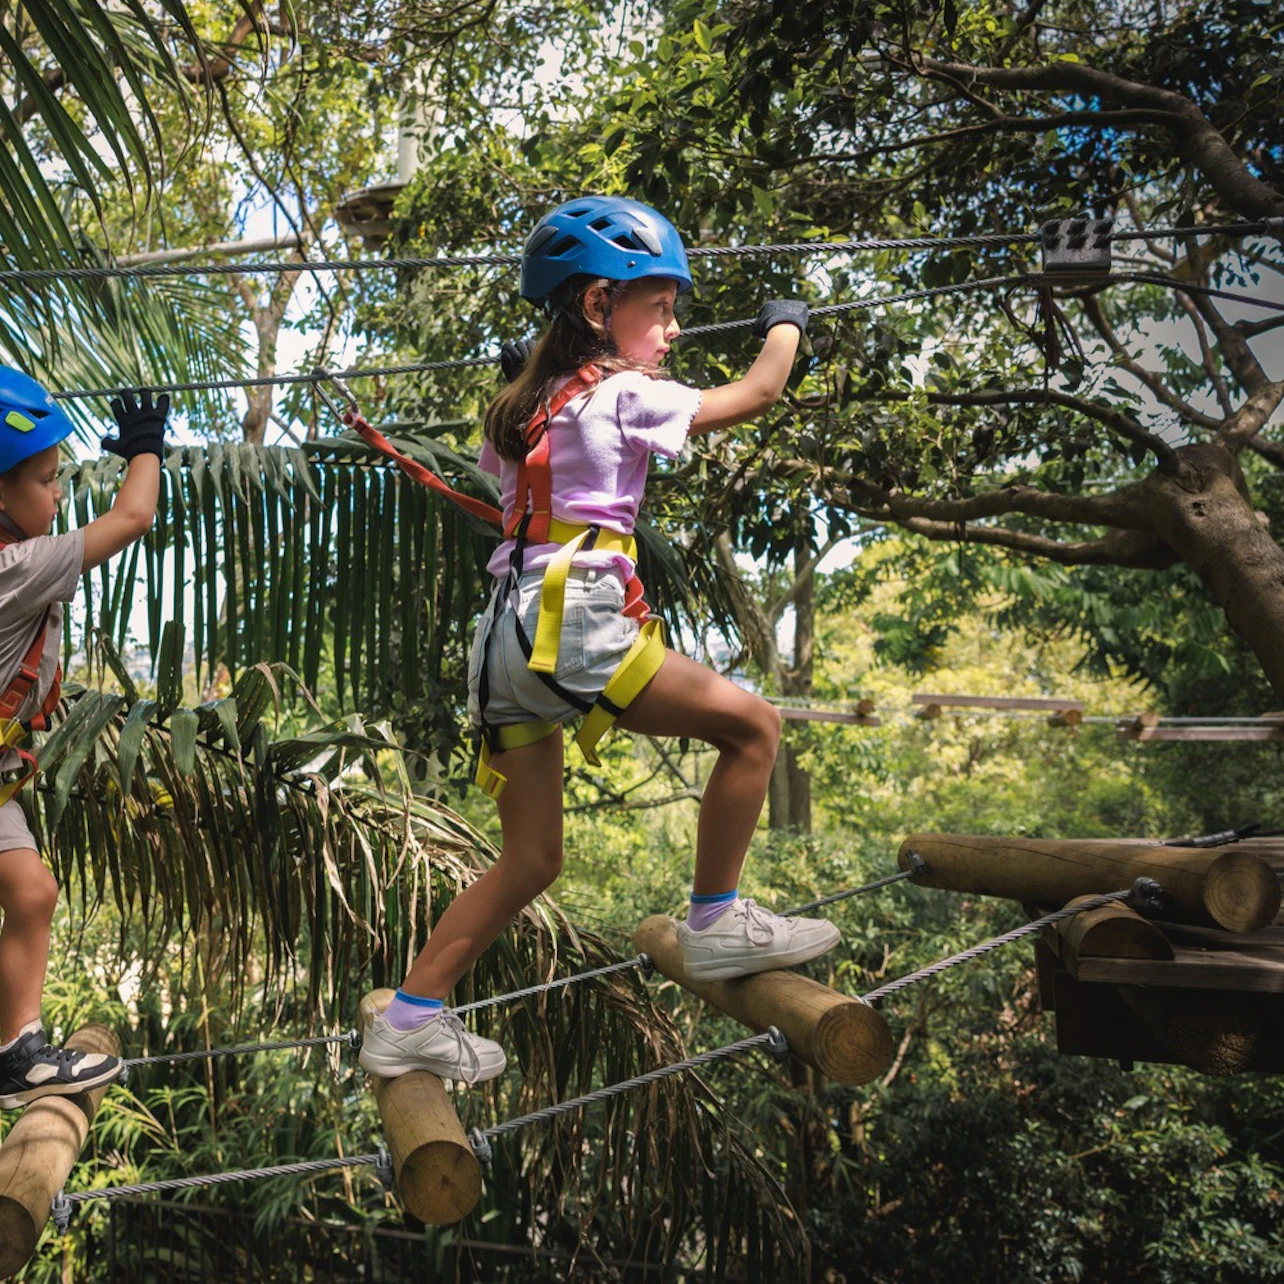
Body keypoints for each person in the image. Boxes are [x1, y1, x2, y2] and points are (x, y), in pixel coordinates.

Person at [359, 195, 839, 1084]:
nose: (673, 327)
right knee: (754, 728)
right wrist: (785, 327)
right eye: (658, 306)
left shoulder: (524, 407)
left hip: (506, 638)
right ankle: (717, 918)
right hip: (574, 622)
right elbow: (758, 393)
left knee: (534, 855)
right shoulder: (624, 389)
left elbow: (507, 482)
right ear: (596, 308)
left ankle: (412, 1015)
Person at [0, 369, 167, 1108]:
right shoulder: (17, 567)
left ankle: (16, 1054)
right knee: (31, 892)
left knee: (33, 893)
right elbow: (132, 519)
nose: (60, 495)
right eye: (46, 480)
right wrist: (145, 450)